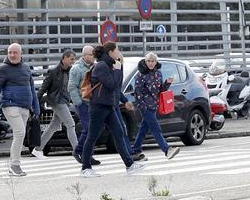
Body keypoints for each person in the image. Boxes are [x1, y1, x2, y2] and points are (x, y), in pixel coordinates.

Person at [80, 42, 146, 177]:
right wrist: (117, 69)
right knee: (92, 136)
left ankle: (129, 165)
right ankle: (85, 168)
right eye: (117, 50)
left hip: (108, 106)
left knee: (119, 133)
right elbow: (111, 85)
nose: (119, 52)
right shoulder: (101, 66)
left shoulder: (109, 65)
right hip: (98, 107)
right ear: (110, 52)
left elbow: (117, 86)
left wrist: (119, 67)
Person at [0, 43, 40, 177]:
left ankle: (15, 164)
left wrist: (36, 107)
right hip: (10, 105)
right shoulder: (2, 69)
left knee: (20, 135)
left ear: (20, 54)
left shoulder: (26, 68)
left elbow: (32, 89)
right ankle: (15, 165)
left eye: (15, 52)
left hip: (25, 107)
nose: (12, 55)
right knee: (20, 133)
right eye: (10, 52)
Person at [131, 52, 180, 160]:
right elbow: (137, 92)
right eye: (148, 61)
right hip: (145, 106)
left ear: (156, 62)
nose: (150, 63)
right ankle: (167, 150)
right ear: (145, 61)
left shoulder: (158, 73)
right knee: (156, 128)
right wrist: (143, 106)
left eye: (153, 61)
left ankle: (135, 150)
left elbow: (160, 90)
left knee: (144, 129)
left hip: (154, 105)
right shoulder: (140, 75)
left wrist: (167, 83)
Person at [32, 49, 78, 158]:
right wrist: (35, 102)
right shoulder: (53, 72)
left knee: (53, 126)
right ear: (64, 58)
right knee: (71, 124)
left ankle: (38, 149)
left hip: (65, 101)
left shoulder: (71, 71)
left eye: (74, 59)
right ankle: (78, 151)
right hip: (57, 102)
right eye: (71, 59)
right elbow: (43, 88)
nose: (73, 61)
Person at [68, 45, 100, 165]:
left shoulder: (95, 67)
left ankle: (89, 155)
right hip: (82, 103)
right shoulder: (76, 69)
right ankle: (78, 151)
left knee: (94, 129)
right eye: (91, 54)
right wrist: (79, 103)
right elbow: (71, 87)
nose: (93, 57)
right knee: (88, 128)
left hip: (92, 103)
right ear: (84, 55)